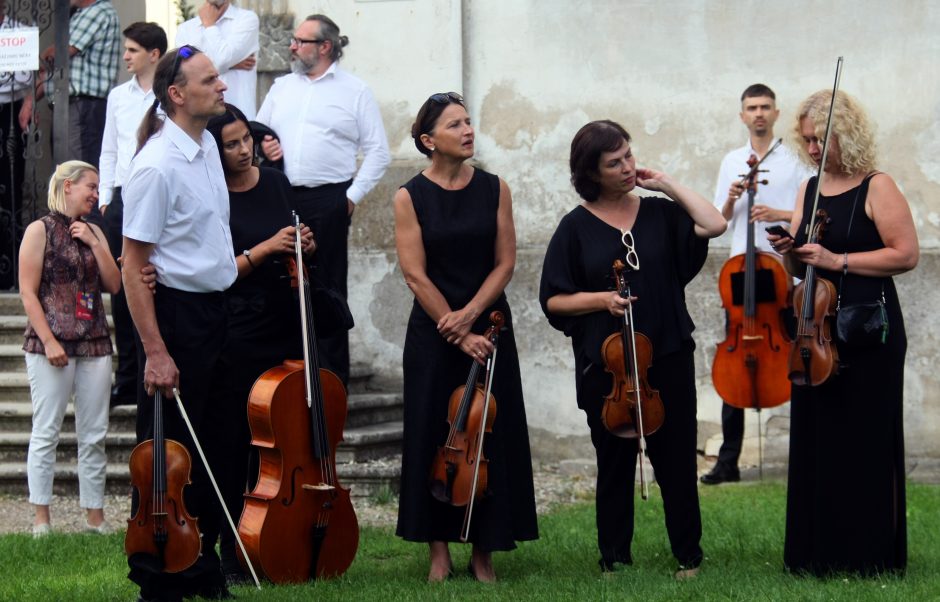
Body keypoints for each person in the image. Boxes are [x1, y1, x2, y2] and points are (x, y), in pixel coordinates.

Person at [539, 120, 726, 578]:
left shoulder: (661, 213)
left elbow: (714, 222)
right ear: (591, 172)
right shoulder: (575, 228)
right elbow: (554, 298)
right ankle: (614, 558)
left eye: (628, 156)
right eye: (614, 162)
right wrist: (602, 300)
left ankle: (688, 556)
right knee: (615, 461)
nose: (627, 167)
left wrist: (664, 183)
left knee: (677, 461)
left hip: (667, 354)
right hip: (609, 365)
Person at [770, 90, 917, 576]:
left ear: (846, 135)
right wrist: (792, 249)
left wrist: (838, 261)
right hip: (817, 331)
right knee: (819, 439)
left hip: (868, 330)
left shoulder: (878, 186)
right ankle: (818, 553)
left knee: (865, 441)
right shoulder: (808, 190)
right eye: (807, 140)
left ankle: (870, 556)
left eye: (822, 139)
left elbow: (906, 254)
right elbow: (799, 266)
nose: (813, 149)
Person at [394, 92, 538, 583]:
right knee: (434, 435)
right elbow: (414, 275)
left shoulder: (496, 188)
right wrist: (456, 333)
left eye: (468, 121)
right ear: (429, 140)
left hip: (490, 328)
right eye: (455, 125)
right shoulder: (408, 196)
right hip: (435, 335)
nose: (468, 130)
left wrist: (474, 317)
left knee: (488, 439)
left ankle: (484, 550)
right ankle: (438, 551)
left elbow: (506, 262)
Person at [121, 45, 234, 601]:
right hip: (175, 318)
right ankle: (157, 578)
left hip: (217, 314)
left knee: (211, 446)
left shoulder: (208, 144)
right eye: (211, 79)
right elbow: (134, 263)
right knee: (166, 452)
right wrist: (156, 352)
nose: (223, 86)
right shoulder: (156, 165)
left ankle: (200, 565)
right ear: (176, 93)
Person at [204, 102, 314, 584]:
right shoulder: (210, 194)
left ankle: (275, 536)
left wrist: (303, 244)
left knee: (283, 441)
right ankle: (230, 547)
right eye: (231, 143)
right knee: (235, 442)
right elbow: (214, 270)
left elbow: (295, 235)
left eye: (246, 138)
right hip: (236, 326)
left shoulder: (275, 182)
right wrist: (264, 249)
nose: (244, 149)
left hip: (281, 321)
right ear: (214, 149)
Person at [256, 13, 390, 386]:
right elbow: (257, 132)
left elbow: (379, 151)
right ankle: (286, 380)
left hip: (330, 198)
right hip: (282, 196)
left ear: (325, 47)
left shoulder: (355, 90)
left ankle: (331, 385)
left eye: (301, 41)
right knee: (279, 283)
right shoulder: (282, 87)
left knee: (328, 289)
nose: (293, 46)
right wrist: (266, 144)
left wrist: (350, 198)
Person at [702, 83, 811, 485]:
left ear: (776, 113)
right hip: (740, 272)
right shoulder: (733, 160)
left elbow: (812, 209)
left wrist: (777, 211)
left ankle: (805, 452)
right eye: (752, 107)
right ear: (742, 115)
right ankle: (727, 461)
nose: (759, 113)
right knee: (736, 357)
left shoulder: (796, 160)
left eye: (766, 107)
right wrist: (732, 198)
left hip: (783, 268)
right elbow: (719, 220)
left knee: (796, 357)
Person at [19, 160, 121, 537]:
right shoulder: (38, 230)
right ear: (67, 186)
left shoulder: (95, 230)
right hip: (51, 343)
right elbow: (28, 293)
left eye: (97, 188)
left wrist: (95, 242)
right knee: (46, 430)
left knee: (94, 433)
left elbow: (114, 284)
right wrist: (48, 341)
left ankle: (95, 518)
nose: (96, 194)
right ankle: (41, 520)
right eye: (90, 187)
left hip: (94, 342)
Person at [98, 22, 167, 407]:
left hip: (156, 192)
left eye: (132, 50)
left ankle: (154, 365)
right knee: (123, 289)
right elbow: (109, 148)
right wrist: (107, 196)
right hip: (123, 196)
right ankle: (127, 376)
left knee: (154, 280)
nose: (125, 56)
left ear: (153, 54)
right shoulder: (118, 97)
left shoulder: (167, 95)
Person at [41, 0, 121, 169]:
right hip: (70, 105)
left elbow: (59, 53)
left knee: (77, 170)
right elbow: (53, 69)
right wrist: (29, 102)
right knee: (66, 170)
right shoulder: (78, 14)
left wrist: (25, 58)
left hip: (83, 106)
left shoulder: (98, 11)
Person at [0, 0, 35, 290]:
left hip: (10, 112)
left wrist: (28, 101)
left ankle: (8, 272)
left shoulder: (18, 32)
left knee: (10, 186)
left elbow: (34, 77)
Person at [176, 0, 259, 119]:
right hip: (201, 117)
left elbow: (222, 59)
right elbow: (184, 66)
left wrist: (209, 24)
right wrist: (231, 64)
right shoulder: (185, 29)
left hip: (238, 115)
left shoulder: (247, 19)